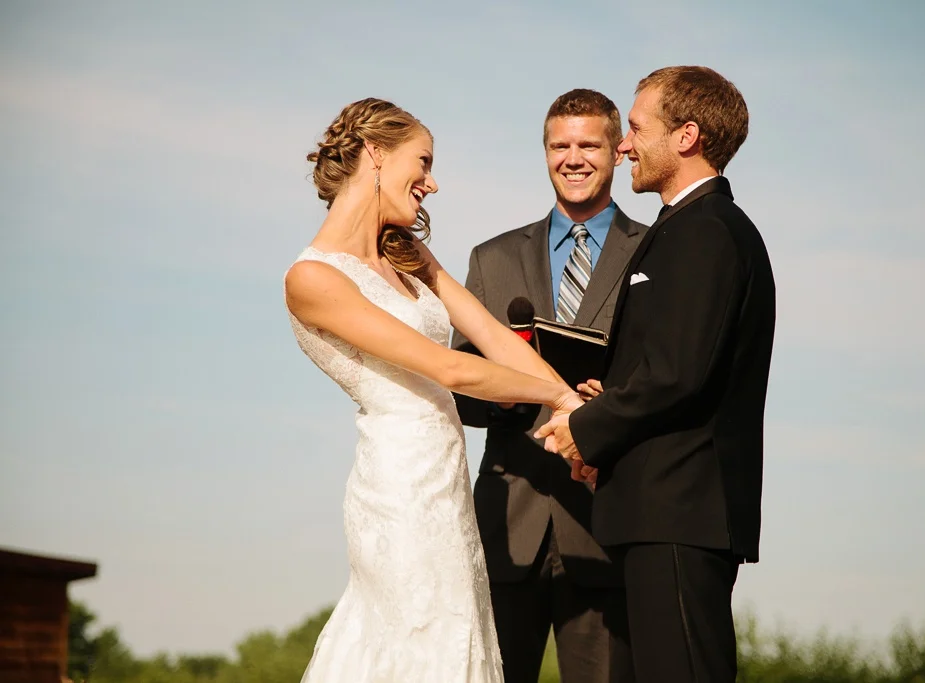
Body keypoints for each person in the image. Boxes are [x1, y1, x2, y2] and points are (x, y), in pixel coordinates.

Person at [284, 97, 583, 683]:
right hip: (397, 487)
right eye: (422, 162)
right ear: (374, 153)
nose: (432, 182)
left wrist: (575, 410)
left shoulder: (409, 254)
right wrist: (561, 402)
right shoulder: (312, 278)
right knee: (413, 634)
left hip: (446, 482)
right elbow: (451, 370)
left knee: (457, 632)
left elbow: (494, 337)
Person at [536, 66, 777, 682]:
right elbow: (671, 364)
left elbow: (677, 374)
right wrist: (609, 397)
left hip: (680, 509)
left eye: (637, 127)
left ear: (687, 135)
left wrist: (587, 428)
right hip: (656, 510)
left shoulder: (707, 231)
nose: (623, 144)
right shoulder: (685, 228)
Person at [451, 89, 645, 683]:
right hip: (509, 520)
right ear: (544, 154)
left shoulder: (656, 250)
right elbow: (458, 386)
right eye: (560, 145)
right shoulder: (492, 257)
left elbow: (666, 375)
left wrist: (607, 407)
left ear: (617, 151)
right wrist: (503, 393)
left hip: (605, 517)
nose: (574, 157)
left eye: (589, 144)